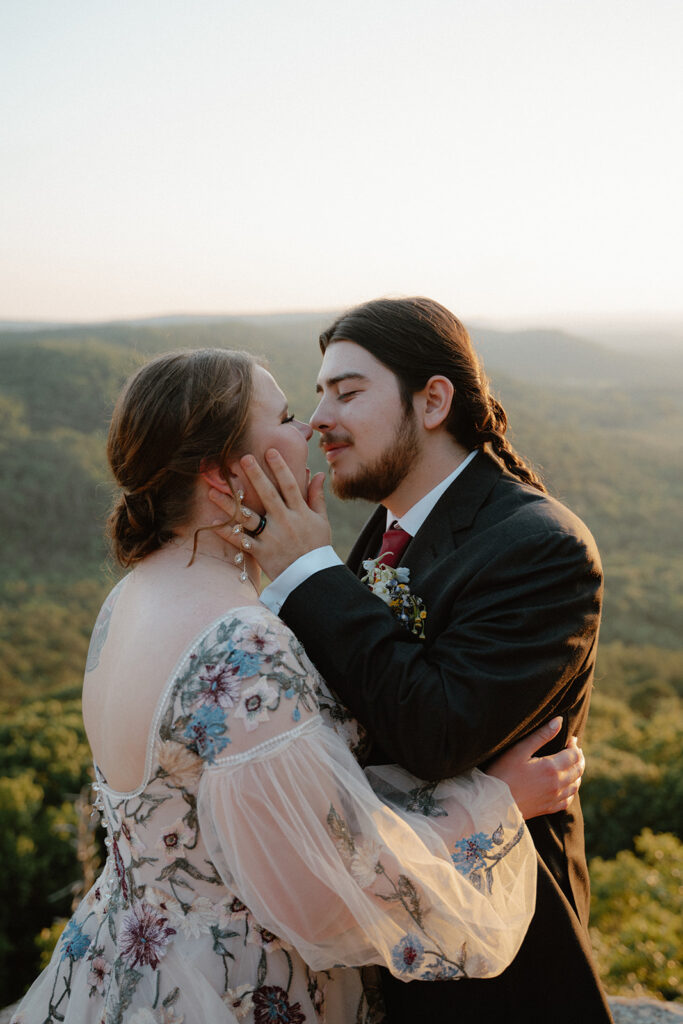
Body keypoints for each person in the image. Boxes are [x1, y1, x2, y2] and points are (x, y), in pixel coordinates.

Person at [11, 348, 584, 1024]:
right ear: (224, 473)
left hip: (122, 959)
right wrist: (492, 804)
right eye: (284, 416)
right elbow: (318, 896)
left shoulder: (132, 595)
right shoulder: (241, 645)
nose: (308, 428)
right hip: (231, 988)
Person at [212, 298, 613, 1024]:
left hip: (496, 966)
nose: (318, 421)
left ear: (432, 401)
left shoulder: (539, 546)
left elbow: (436, 734)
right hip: (384, 935)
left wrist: (308, 574)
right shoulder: (384, 532)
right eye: (316, 395)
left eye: (348, 392)